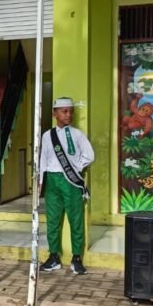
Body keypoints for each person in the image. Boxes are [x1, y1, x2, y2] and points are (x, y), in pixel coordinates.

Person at [39, 97, 94, 275]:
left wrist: (77, 167)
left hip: (71, 182)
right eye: (64, 111)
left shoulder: (77, 134)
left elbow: (89, 155)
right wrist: (40, 182)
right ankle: (54, 257)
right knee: (52, 221)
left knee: (76, 220)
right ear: (55, 114)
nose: (68, 115)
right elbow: (43, 159)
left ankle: (77, 258)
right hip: (52, 181)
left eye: (71, 111)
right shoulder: (47, 135)